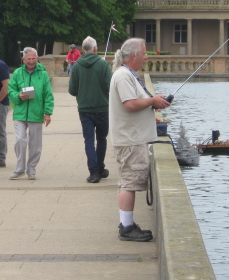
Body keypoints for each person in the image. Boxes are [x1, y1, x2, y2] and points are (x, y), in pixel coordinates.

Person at [109, 38, 170, 242]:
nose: (146, 57)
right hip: (130, 139)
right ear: (134, 55)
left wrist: (153, 102)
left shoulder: (127, 75)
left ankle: (127, 224)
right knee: (128, 182)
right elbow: (130, 104)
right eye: (144, 53)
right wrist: (152, 100)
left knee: (129, 181)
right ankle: (126, 227)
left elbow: (136, 101)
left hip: (132, 138)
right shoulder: (123, 76)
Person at [68, 36, 112, 184]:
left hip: (84, 108)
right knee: (101, 139)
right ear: (95, 49)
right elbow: (109, 86)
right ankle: (100, 168)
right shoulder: (103, 65)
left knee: (88, 140)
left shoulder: (77, 66)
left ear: (82, 50)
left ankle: (93, 172)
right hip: (102, 107)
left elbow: (72, 90)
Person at [8, 47, 54, 180]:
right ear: (23, 59)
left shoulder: (43, 74)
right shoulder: (17, 73)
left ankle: (31, 168)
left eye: (34, 59)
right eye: (29, 59)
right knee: (20, 140)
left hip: (36, 113)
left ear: (38, 59)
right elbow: (11, 91)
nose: (31, 61)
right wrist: (18, 96)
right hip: (20, 113)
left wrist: (48, 113)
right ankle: (20, 168)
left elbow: (48, 95)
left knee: (35, 144)